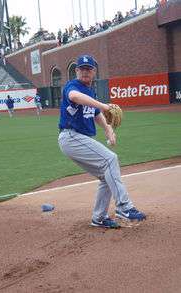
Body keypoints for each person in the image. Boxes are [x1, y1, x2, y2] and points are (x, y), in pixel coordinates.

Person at [58, 54, 146, 229]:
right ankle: (124, 207)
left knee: (106, 176)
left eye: (88, 69)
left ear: (94, 72)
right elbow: (75, 97)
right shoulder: (72, 86)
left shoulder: (90, 92)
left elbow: (96, 114)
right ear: (76, 71)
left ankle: (99, 218)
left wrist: (108, 129)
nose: (85, 72)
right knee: (110, 159)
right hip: (71, 137)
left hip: (77, 139)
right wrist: (104, 106)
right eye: (82, 69)